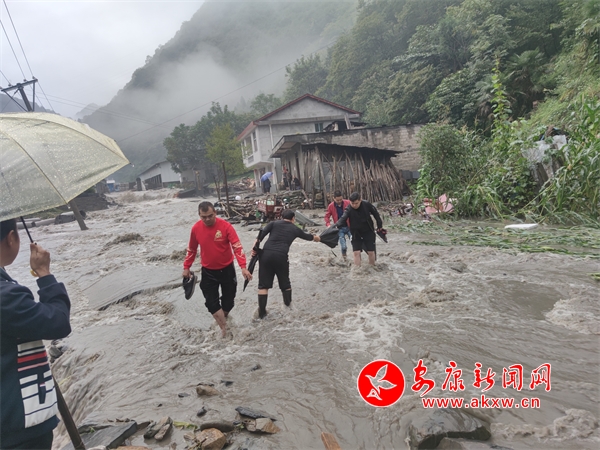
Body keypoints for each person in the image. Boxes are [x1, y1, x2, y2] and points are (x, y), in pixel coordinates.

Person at [0, 218, 71, 450]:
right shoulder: (6, 297)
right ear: (11, 238)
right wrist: (44, 273)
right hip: (17, 430)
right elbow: (58, 323)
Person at [183, 202, 252, 337]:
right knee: (211, 303)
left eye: (210, 216)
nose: (207, 219)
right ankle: (225, 330)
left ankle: (222, 320)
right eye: (204, 217)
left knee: (228, 302)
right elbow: (191, 249)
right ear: (199, 216)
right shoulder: (196, 228)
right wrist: (186, 267)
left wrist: (243, 267)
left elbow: (237, 246)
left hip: (227, 270)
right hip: (208, 271)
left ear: (215, 213)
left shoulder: (226, 226)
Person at [251, 210, 320, 319]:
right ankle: (288, 309)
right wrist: (317, 238)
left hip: (265, 255)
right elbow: (308, 237)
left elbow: (259, 238)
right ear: (293, 219)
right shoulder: (295, 228)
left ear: (282, 217)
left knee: (263, 286)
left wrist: (254, 250)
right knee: (285, 284)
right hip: (281, 256)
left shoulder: (273, 223)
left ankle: (262, 314)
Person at [333, 192, 383, 266]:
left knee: (371, 252)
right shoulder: (349, 209)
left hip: (368, 231)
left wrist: (379, 226)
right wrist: (336, 226)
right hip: (355, 233)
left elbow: (376, 214)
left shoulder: (367, 204)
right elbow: (343, 218)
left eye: (356, 203)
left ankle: (372, 268)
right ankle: (357, 270)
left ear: (360, 200)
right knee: (356, 252)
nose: (354, 205)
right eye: (352, 203)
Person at [324, 190, 352, 260]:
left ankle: (357, 259)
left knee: (355, 243)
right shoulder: (331, 206)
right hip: (339, 228)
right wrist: (328, 225)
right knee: (343, 247)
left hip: (350, 227)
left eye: (341, 199)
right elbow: (327, 216)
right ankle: (345, 259)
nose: (339, 201)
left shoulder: (348, 203)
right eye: (337, 200)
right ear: (334, 198)